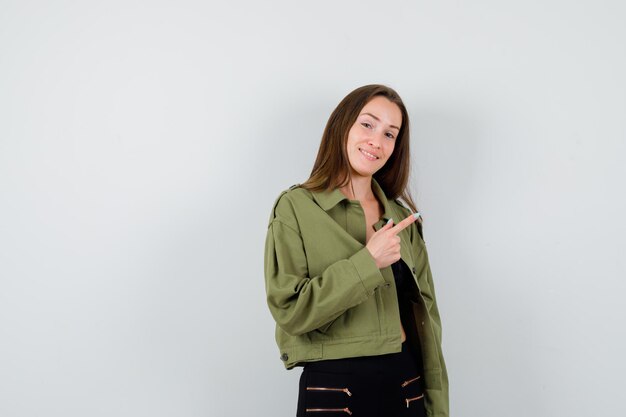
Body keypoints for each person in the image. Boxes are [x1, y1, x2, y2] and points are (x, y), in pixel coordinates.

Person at [264, 85, 449, 417]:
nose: (377, 141)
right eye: (368, 124)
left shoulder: (402, 218)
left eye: (390, 134)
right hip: (335, 388)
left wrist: (437, 408)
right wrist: (368, 262)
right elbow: (291, 312)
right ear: (343, 125)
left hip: (406, 385)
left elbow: (427, 323)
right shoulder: (295, 207)